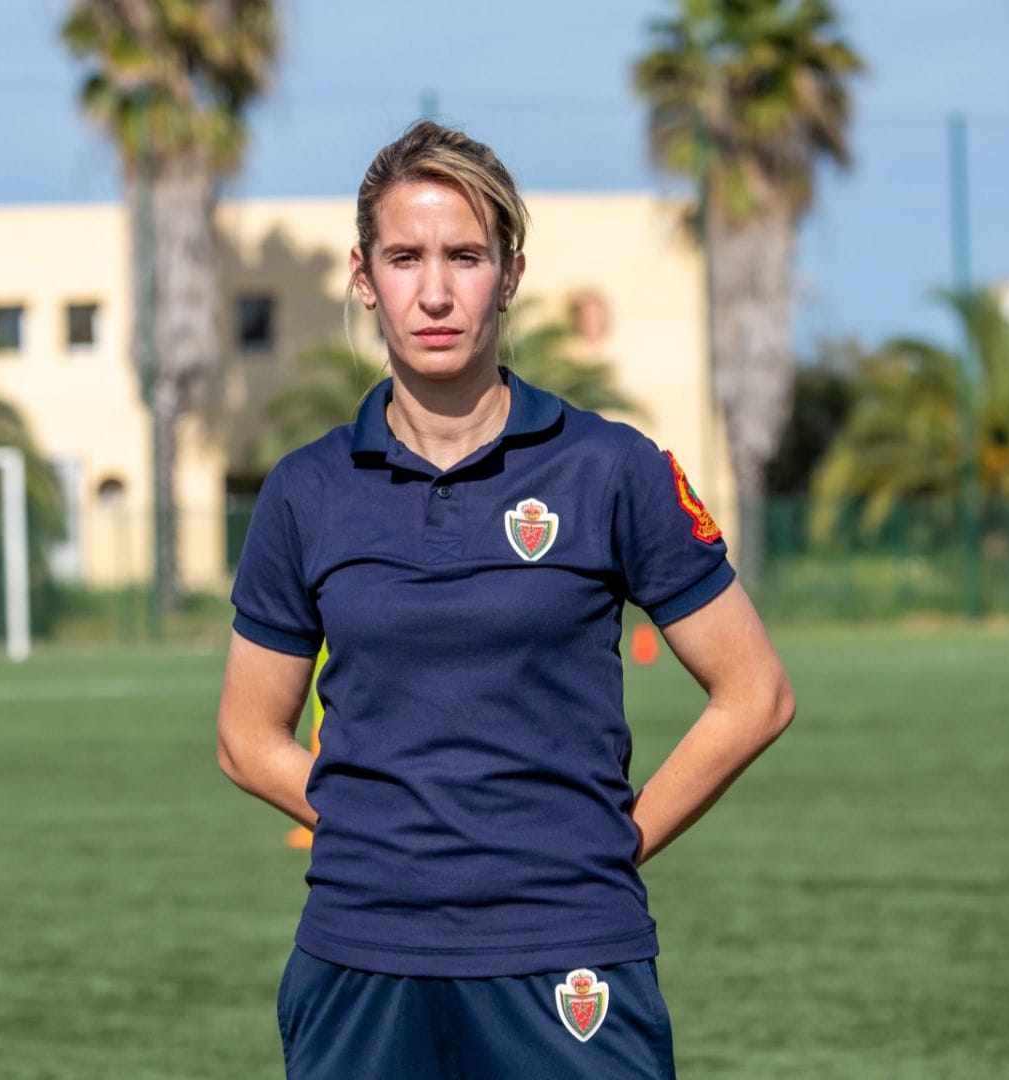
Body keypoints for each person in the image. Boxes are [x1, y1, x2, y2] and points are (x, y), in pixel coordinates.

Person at [214, 120, 795, 1078]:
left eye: (465, 256)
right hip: (361, 959)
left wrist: (611, 843)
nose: (434, 291)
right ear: (364, 277)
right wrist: (385, 831)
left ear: (510, 273)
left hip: (567, 956)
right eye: (405, 258)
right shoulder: (305, 490)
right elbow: (246, 737)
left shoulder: (612, 468)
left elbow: (755, 694)